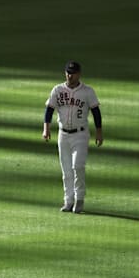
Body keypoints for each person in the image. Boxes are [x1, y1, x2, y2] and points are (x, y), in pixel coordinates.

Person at [42, 61, 103, 214]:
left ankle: (80, 198)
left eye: (73, 73)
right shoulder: (58, 89)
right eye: (68, 73)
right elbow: (49, 109)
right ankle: (68, 201)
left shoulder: (87, 91)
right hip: (63, 134)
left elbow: (96, 112)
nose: (70, 76)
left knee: (78, 166)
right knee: (66, 170)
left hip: (80, 134)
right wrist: (46, 129)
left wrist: (99, 132)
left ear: (79, 74)